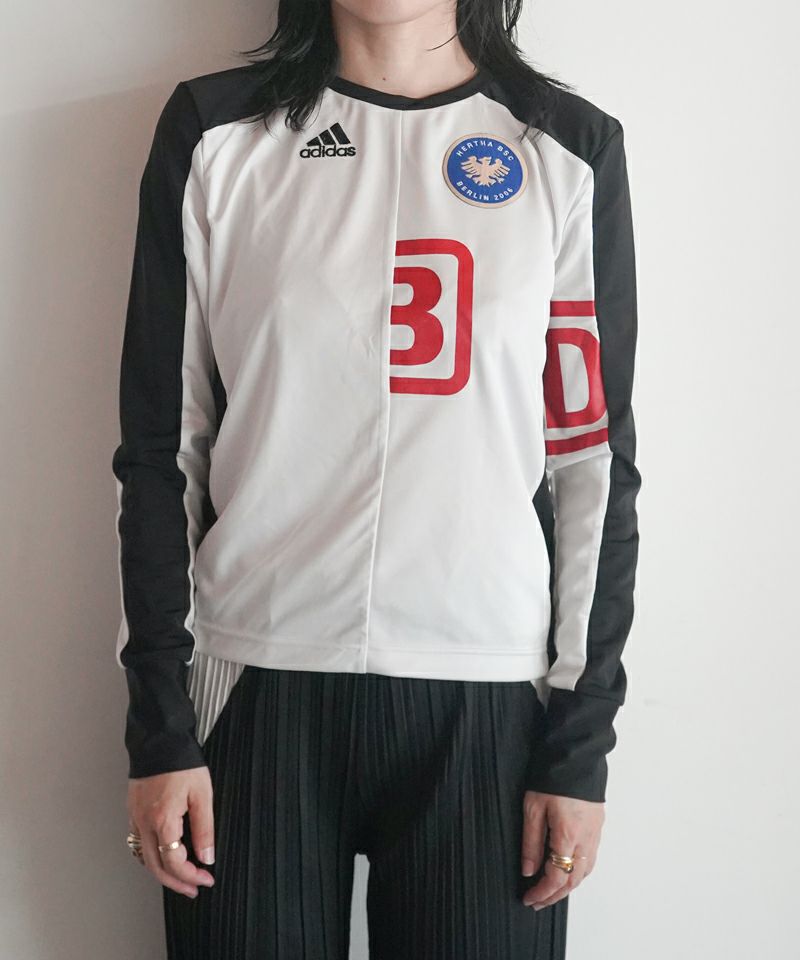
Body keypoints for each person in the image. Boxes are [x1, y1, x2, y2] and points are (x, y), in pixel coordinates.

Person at [112, 1, 641, 957]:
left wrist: (580, 739)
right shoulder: (214, 132)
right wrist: (159, 723)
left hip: (489, 698)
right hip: (252, 684)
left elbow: (591, 461)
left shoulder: (568, 147)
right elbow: (160, 449)